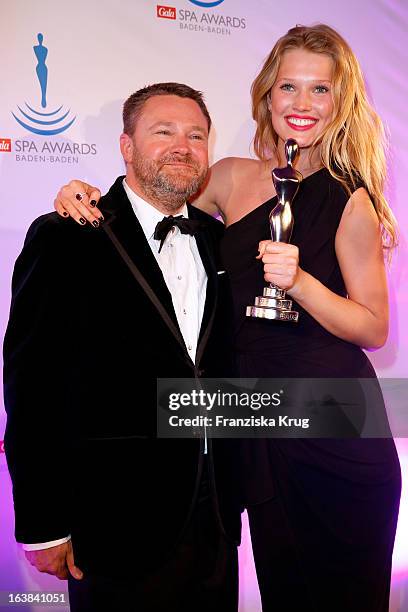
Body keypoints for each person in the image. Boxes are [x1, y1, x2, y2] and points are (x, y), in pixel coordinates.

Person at [53, 24, 401, 612]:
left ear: (341, 102)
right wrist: (85, 193)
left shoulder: (352, 198)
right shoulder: (234, 177)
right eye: (289, 87)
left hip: (335, 419)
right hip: (251, 413)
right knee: (284, 588)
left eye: (320, 90)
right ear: (268, 95)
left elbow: (374, 328)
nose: (302, 104)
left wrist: (302, 282)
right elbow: (155, 191)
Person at [4, 83, 242, 612]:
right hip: (113, 520)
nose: (183, 146)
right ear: (126, 146)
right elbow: (33, 385)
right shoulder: (67, 235)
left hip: (216, 516)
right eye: (163, 132)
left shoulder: (218, 239)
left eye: (196, 135)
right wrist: (43, 525)